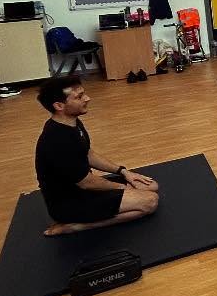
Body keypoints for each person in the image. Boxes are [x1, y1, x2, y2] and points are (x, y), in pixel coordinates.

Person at [33, 76, 160, 237]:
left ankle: (98, 211)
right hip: (69, 204)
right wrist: (123, 188)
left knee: (151, 186)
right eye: (79, 97)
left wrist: (123, 172)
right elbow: (87, 183)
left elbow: (88, 153)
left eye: (83, 94)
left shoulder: (72, 122)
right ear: (59, 105)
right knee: (150, 201)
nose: (87, 98)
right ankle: (75, 226)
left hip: (82, 189)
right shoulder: (57, 139)